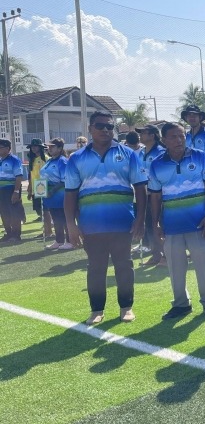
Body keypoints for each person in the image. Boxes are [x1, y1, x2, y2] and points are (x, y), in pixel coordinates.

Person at [65, 110, 147, 325]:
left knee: (124, 266)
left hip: (122, 222)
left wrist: (140, 219)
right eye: (100, 126)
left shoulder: (129, 154)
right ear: (90, 129)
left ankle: (126, 307)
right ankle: (97, 310)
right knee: (96, 268)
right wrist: (71, 225)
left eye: (110, 126)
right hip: (90, 225)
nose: (105, 130)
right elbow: (70, 194)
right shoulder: (77, 158)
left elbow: (140, 188)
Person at [148, 122, 205, 321]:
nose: (179, 140)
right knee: (175, 268)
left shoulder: (200, 157)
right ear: (164, 140)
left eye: (182, 136)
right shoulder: (156, 164)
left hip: (200, 223)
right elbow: (155, 196)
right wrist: (155, 223)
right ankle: (181, 304)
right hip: (172, 226)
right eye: (173, 137)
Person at [136, 124, 166, 266]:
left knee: (160, 224)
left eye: (143, 133)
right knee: (149, 225)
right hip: (145, 194)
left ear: (152, 135)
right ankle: (156, 254)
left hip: (158, 194)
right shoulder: (141, 152)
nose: (140, 135)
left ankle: (166, 255)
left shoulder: (161, 151)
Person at [40, 138, 73, 250]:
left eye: (52, 146)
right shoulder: (49, 161)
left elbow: (64, 180)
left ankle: (70, 241)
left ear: (59, 148)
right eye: (49, 147)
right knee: (56, 218)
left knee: (64, 218)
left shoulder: (62, 161)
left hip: (60, 195)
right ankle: (59, 241)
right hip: (50, 196)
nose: (49, 148)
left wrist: (52, 191)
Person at [0, 139, 26, 243]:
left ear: (7, 148)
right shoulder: (0, 160)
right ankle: (9, 233)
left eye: (0, 148)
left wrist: (16, 191)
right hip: (1, 190)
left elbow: (19, 176)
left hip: (11, 189)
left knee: (14, 212)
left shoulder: (14, 160)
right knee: (4, 212)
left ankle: (16, 235)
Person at [26, 138, 53, 237]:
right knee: (39, 209)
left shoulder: (45, 158)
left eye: (36, 146)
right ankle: (46, 229)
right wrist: (30, 188)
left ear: (40, 147)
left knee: (45, 210)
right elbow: (31, 175)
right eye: (32, 146)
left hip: (43, 185)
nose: (33, 148)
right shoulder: (32, 159)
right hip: (35, 186)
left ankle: (48, 231)